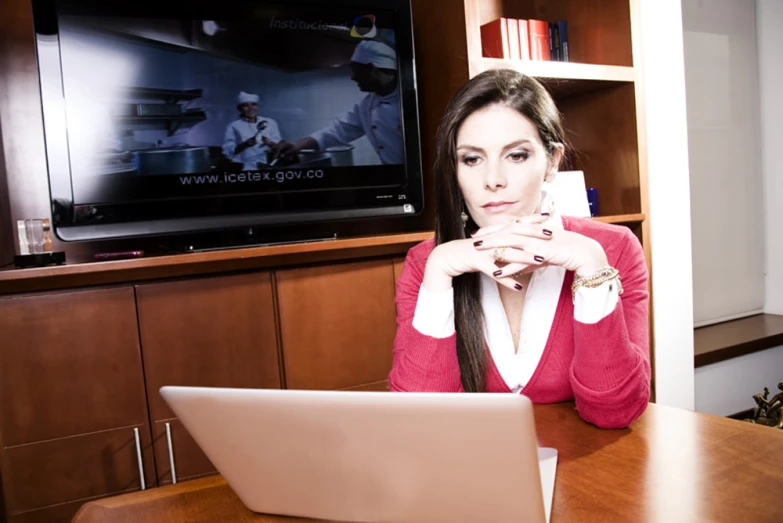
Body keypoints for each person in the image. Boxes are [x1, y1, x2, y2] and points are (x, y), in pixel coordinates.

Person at [388, 69, 650, 429]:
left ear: (553, 161)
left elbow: (614, 411)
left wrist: (591, 269)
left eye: (516, 155)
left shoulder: (613, 249)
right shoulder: (426, 262)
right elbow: (419, 419)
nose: (493, 180)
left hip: (586, 469)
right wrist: (439, 272)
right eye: (472, 159)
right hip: (474, 469)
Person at [268, 40, 403, 165]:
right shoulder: (367, 104)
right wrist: (297, 145)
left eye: (355, 69)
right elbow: (337, 131)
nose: (352, 77)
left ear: (372, 69)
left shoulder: (410, 99)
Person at [222, 91, 281, 170]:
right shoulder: (233, 126)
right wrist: (245, 144)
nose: (251, 108)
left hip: (269, 165)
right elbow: (228, 151)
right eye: (246, 105)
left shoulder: (270, 122)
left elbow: (279, 147)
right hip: (244, 168)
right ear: (240, 109)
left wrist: (270, 143)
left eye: (253, 104)